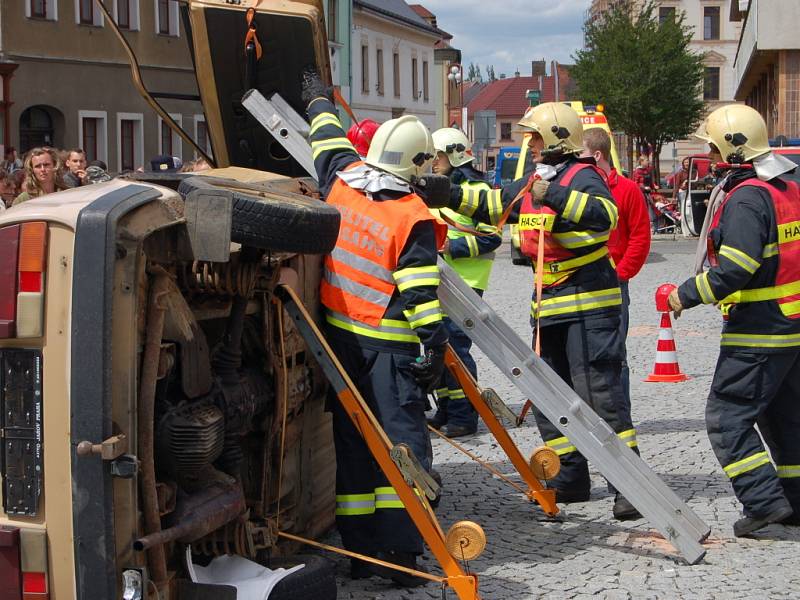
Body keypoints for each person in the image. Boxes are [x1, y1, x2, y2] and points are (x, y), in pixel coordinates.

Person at [431, 102, 641, 520]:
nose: (529, 143)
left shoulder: (583, 176)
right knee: (550, 397)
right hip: (549, 307)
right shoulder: (534, 179)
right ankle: (570, 478)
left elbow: (605, 217)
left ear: (558, 138)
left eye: (535, 136)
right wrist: (448, 193)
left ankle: (631, 488)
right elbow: (494, 204)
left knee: (601, 397)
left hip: (590, 304)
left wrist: (555, 195)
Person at [301, 68, 448, 585]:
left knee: (354, 443)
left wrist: (320, 100)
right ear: (417, 164)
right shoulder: (412, 215)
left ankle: (361, 556)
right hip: (390, 351)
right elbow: (420, 296)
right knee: (402, 447)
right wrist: (436, 346)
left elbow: (326, 138)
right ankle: (405, 559)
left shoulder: (341, 181)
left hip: (339, 339)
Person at [668, 104, 800, 537]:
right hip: (790, 324)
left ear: (733, 149)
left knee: (727, 417)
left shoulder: (747, 198)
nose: (710, 157)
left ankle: (762, 503)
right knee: (785, 419)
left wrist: (684, 295)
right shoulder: (787, 186)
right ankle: (795, 503)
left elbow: (735, 268)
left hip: (758, 329)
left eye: (713, 147)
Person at [427, 127, 501, 437]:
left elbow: (492, 237)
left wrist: (450, 248)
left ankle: (465, 415)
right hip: (442, 280)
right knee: (440, 349)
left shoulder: (478, 189)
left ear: (454, 155)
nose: (432, 162)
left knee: (457, 349)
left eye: (437, 156)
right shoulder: (439, 187)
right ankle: (447, 409)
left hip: (466, 282)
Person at [581, 128, 651, 426]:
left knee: (614, 357)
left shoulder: (626, 190)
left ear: (597, 155)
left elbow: (640, 238)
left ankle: (620, 421)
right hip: (580, 285)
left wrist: (619, 275)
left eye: (581, 153)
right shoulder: (579, 187)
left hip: (612, 285)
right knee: (580, 357)